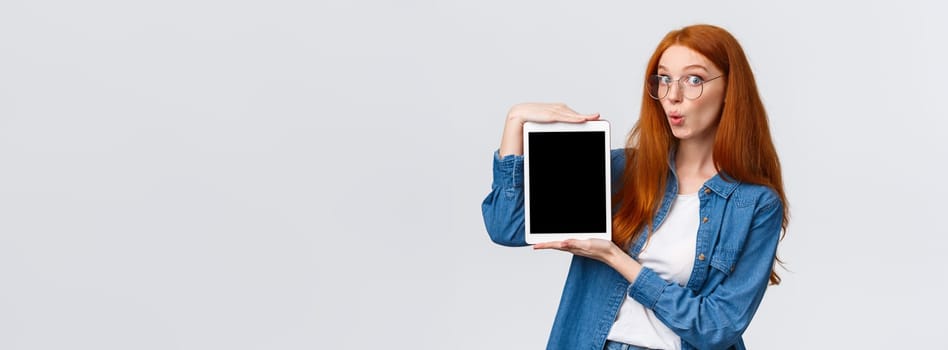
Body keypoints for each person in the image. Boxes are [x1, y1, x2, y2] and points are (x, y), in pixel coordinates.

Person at [481, 24, 788, 350]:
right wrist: (515, 121)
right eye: (665, 79)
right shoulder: (620, 171)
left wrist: (616, 257)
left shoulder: (754, 205)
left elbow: (716, 327)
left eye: (693, 80)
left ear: (730, 90)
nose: (673, 96)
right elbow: (507, 226)